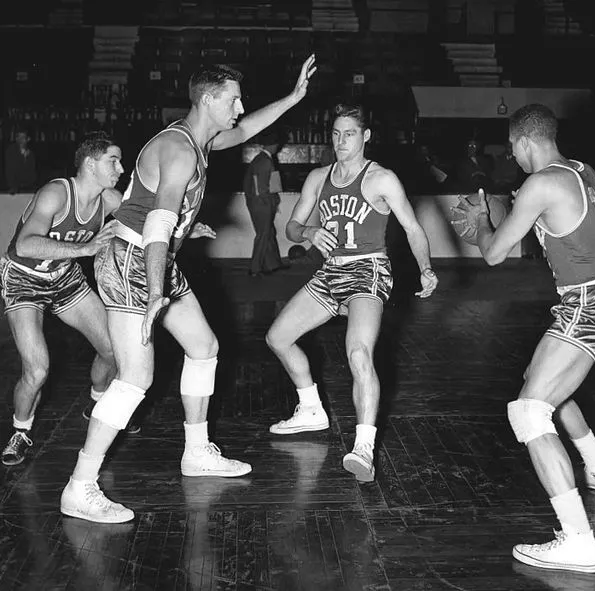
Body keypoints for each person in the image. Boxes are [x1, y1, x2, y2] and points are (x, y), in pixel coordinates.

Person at [60, 55, 317, 523]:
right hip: (133, 260)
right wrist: (157, 289)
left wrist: (294, 98)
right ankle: (80, 485)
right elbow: (158, 222)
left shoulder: (202, 139)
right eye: (234, 99)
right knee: (136, 378)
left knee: (204, 346)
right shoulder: (178, 149)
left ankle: (197, 453)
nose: (240, 107)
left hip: (155, 256)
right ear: (208, 99)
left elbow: (242, 133)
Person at [454, 104, 595, 573]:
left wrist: (478, 225)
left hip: (589, 303)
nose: (511, 155)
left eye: (512, 147)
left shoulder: (540, 184)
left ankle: (578, 541)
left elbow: (495, 253)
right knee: (541, 381)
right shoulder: (581, 171)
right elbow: (543, 216)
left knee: (529, 411)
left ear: (522, 143)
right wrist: (495, 210)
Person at [265, 103, 438, 482]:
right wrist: (309, 233)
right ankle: (310, 408)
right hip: (330, 272)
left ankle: (364, 446)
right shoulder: (318, 177)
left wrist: (425, 267)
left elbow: (412, 228)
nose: (341, 141)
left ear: (366, 137)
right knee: (278, 337)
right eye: (336, 133)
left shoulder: (381, 179)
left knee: (358, 352)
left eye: (350, 134)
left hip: (369, 269)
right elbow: (292, 228)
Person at [0, 132, 124, 466]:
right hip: (24, 279)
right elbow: (25, 245)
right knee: (37, 370)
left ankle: (97, 403)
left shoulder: (109, 200)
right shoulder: (56, 192)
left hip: (64, 277)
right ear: (89, 163)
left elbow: (150, 216)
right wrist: (84, 249)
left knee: (113, 350)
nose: (121, 168)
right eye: (113, 160)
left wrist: (188, 227)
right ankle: (20, 430)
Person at [243, 129, 285, 276]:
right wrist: (271, 203)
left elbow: (268, 185)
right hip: (262, 205)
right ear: (274, 145)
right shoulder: (265, 161)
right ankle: (254, 268)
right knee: (263, 235)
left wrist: (274, 200)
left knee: (269, 233)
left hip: (260, 203)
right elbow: (261, 189)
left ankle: (273, 265)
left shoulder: (262, 159)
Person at [5, 128, 37, 194]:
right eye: (18, 137)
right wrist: (12, 187)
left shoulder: (31, 154)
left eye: (23, 138)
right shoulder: (11, 151)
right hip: (13, 189)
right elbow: (10, 170)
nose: (20, 140)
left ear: (28, 139)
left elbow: (32, 172)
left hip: (28, 188)